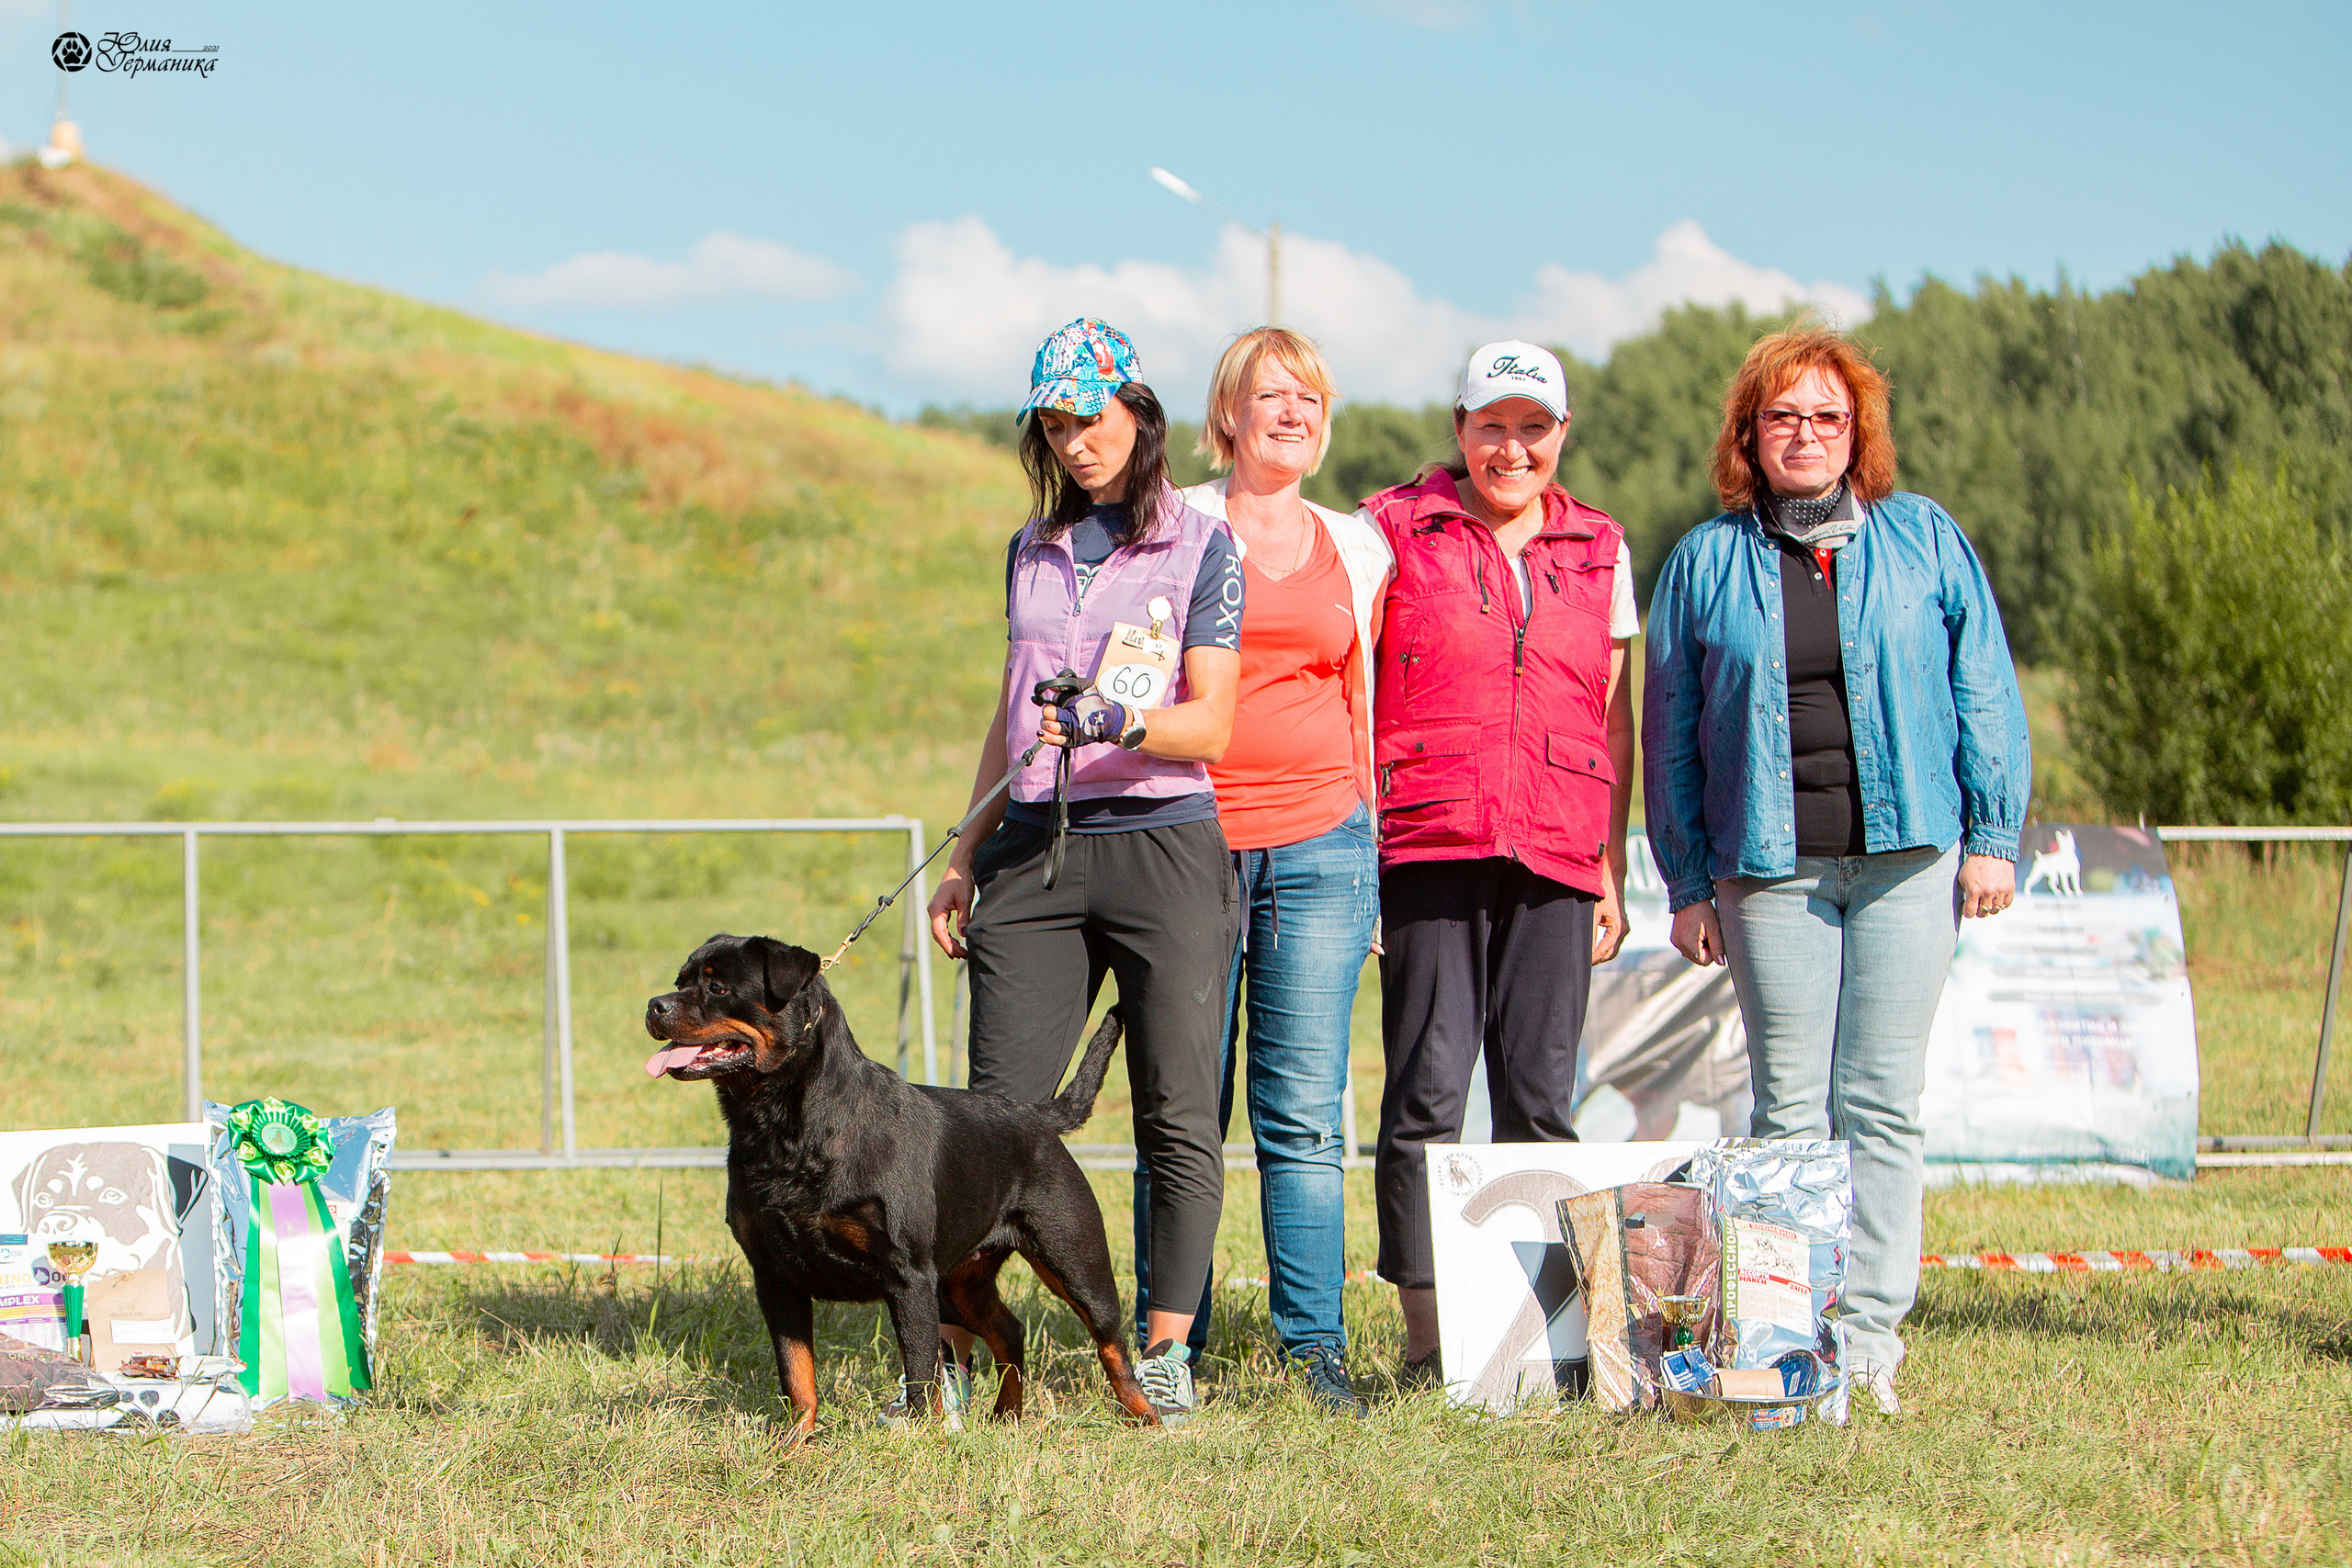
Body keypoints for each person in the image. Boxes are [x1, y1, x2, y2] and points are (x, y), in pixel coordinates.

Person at [1641, 321, 2030, 1416]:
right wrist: (1684, 884)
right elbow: (1668, 733)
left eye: (1825, 416)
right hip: (1768, 871)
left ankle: (1865, 1342)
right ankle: (1784, 1334)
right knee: (1787, 1115)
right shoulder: (1703, 562)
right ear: (1748, 438)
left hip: (1912, 862)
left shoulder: (1925, 540)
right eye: (1782, 418)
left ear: (1855, 431)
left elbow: (1983, 688)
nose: (1804, 435)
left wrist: (1993, 837)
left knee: (1881, 1103)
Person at [925, 318, 1243, 1427]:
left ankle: (1159, 1354)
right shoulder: (1029, 546)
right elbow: (1007, 711)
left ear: (1137, 412)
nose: (1076, 439)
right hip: (1033, 849)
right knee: (991, 1120)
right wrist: (964, 851)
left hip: (1162, 840)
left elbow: (1213, 725)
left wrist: (1117, 715)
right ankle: (956, 1368)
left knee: (1176, 1110)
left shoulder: (1201, 543)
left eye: (1092, 416)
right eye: (1055, 423)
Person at [1362, 340, 1638, 1382]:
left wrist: (1608, 865)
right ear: (1459, 429)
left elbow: (1614, 720)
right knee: (1425, 1097)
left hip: (1559, 851)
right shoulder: (1392, 528)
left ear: (1561, 435)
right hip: (1427, 843)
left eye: (1533, 428)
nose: (1511, 447)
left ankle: (1554, 1343)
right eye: (1492, 425)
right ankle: (1427, 1343)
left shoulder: (1603, 548)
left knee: (1540, 1098)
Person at [1128, 328, 1393, 1415]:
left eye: (1309, 396)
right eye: (1268, 394)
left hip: (1325, 846)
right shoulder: (1175, 526)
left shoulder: (1360, 545)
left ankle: (1313, 1351)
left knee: (1305, 1113)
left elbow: (1366, 700)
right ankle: (1164, 1350)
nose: (1292, 411)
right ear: (1226, 416)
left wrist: (1373, 851)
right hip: (1188, 843)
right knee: (1184, 1109)